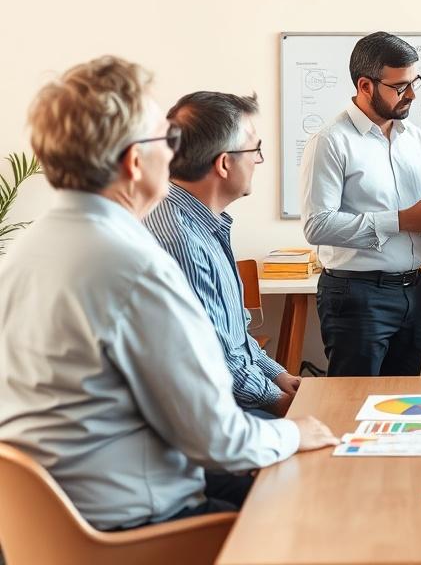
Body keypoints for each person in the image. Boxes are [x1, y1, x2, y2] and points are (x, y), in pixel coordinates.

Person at [0, 57, 337, 530]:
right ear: (135, 161)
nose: (176, 155)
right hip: (138, 525)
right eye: (167, 139)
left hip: (47, 524)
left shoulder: (26, 251)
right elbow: (215, 437)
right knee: (328, 506)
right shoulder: (132, 265)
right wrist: (293, 432)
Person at [300, 32, 421, 377]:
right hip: (355, 293)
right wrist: (401, 220)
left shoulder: (414, 138)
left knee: (401, 403)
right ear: (365, 85)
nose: (413, 94)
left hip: (413, 289)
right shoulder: (331, 141)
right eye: (401, 86)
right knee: (353, 406)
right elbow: (317, 225)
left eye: (415, 81)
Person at [145, 92, 301, 417]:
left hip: (234, 402)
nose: (259, 160)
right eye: (255, 149)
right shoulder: (179, 239)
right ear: (225, 163)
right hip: (217, 416)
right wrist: (287, 407)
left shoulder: (203, 222)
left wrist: (278, 375)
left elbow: (235, 339)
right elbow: (214, 360)